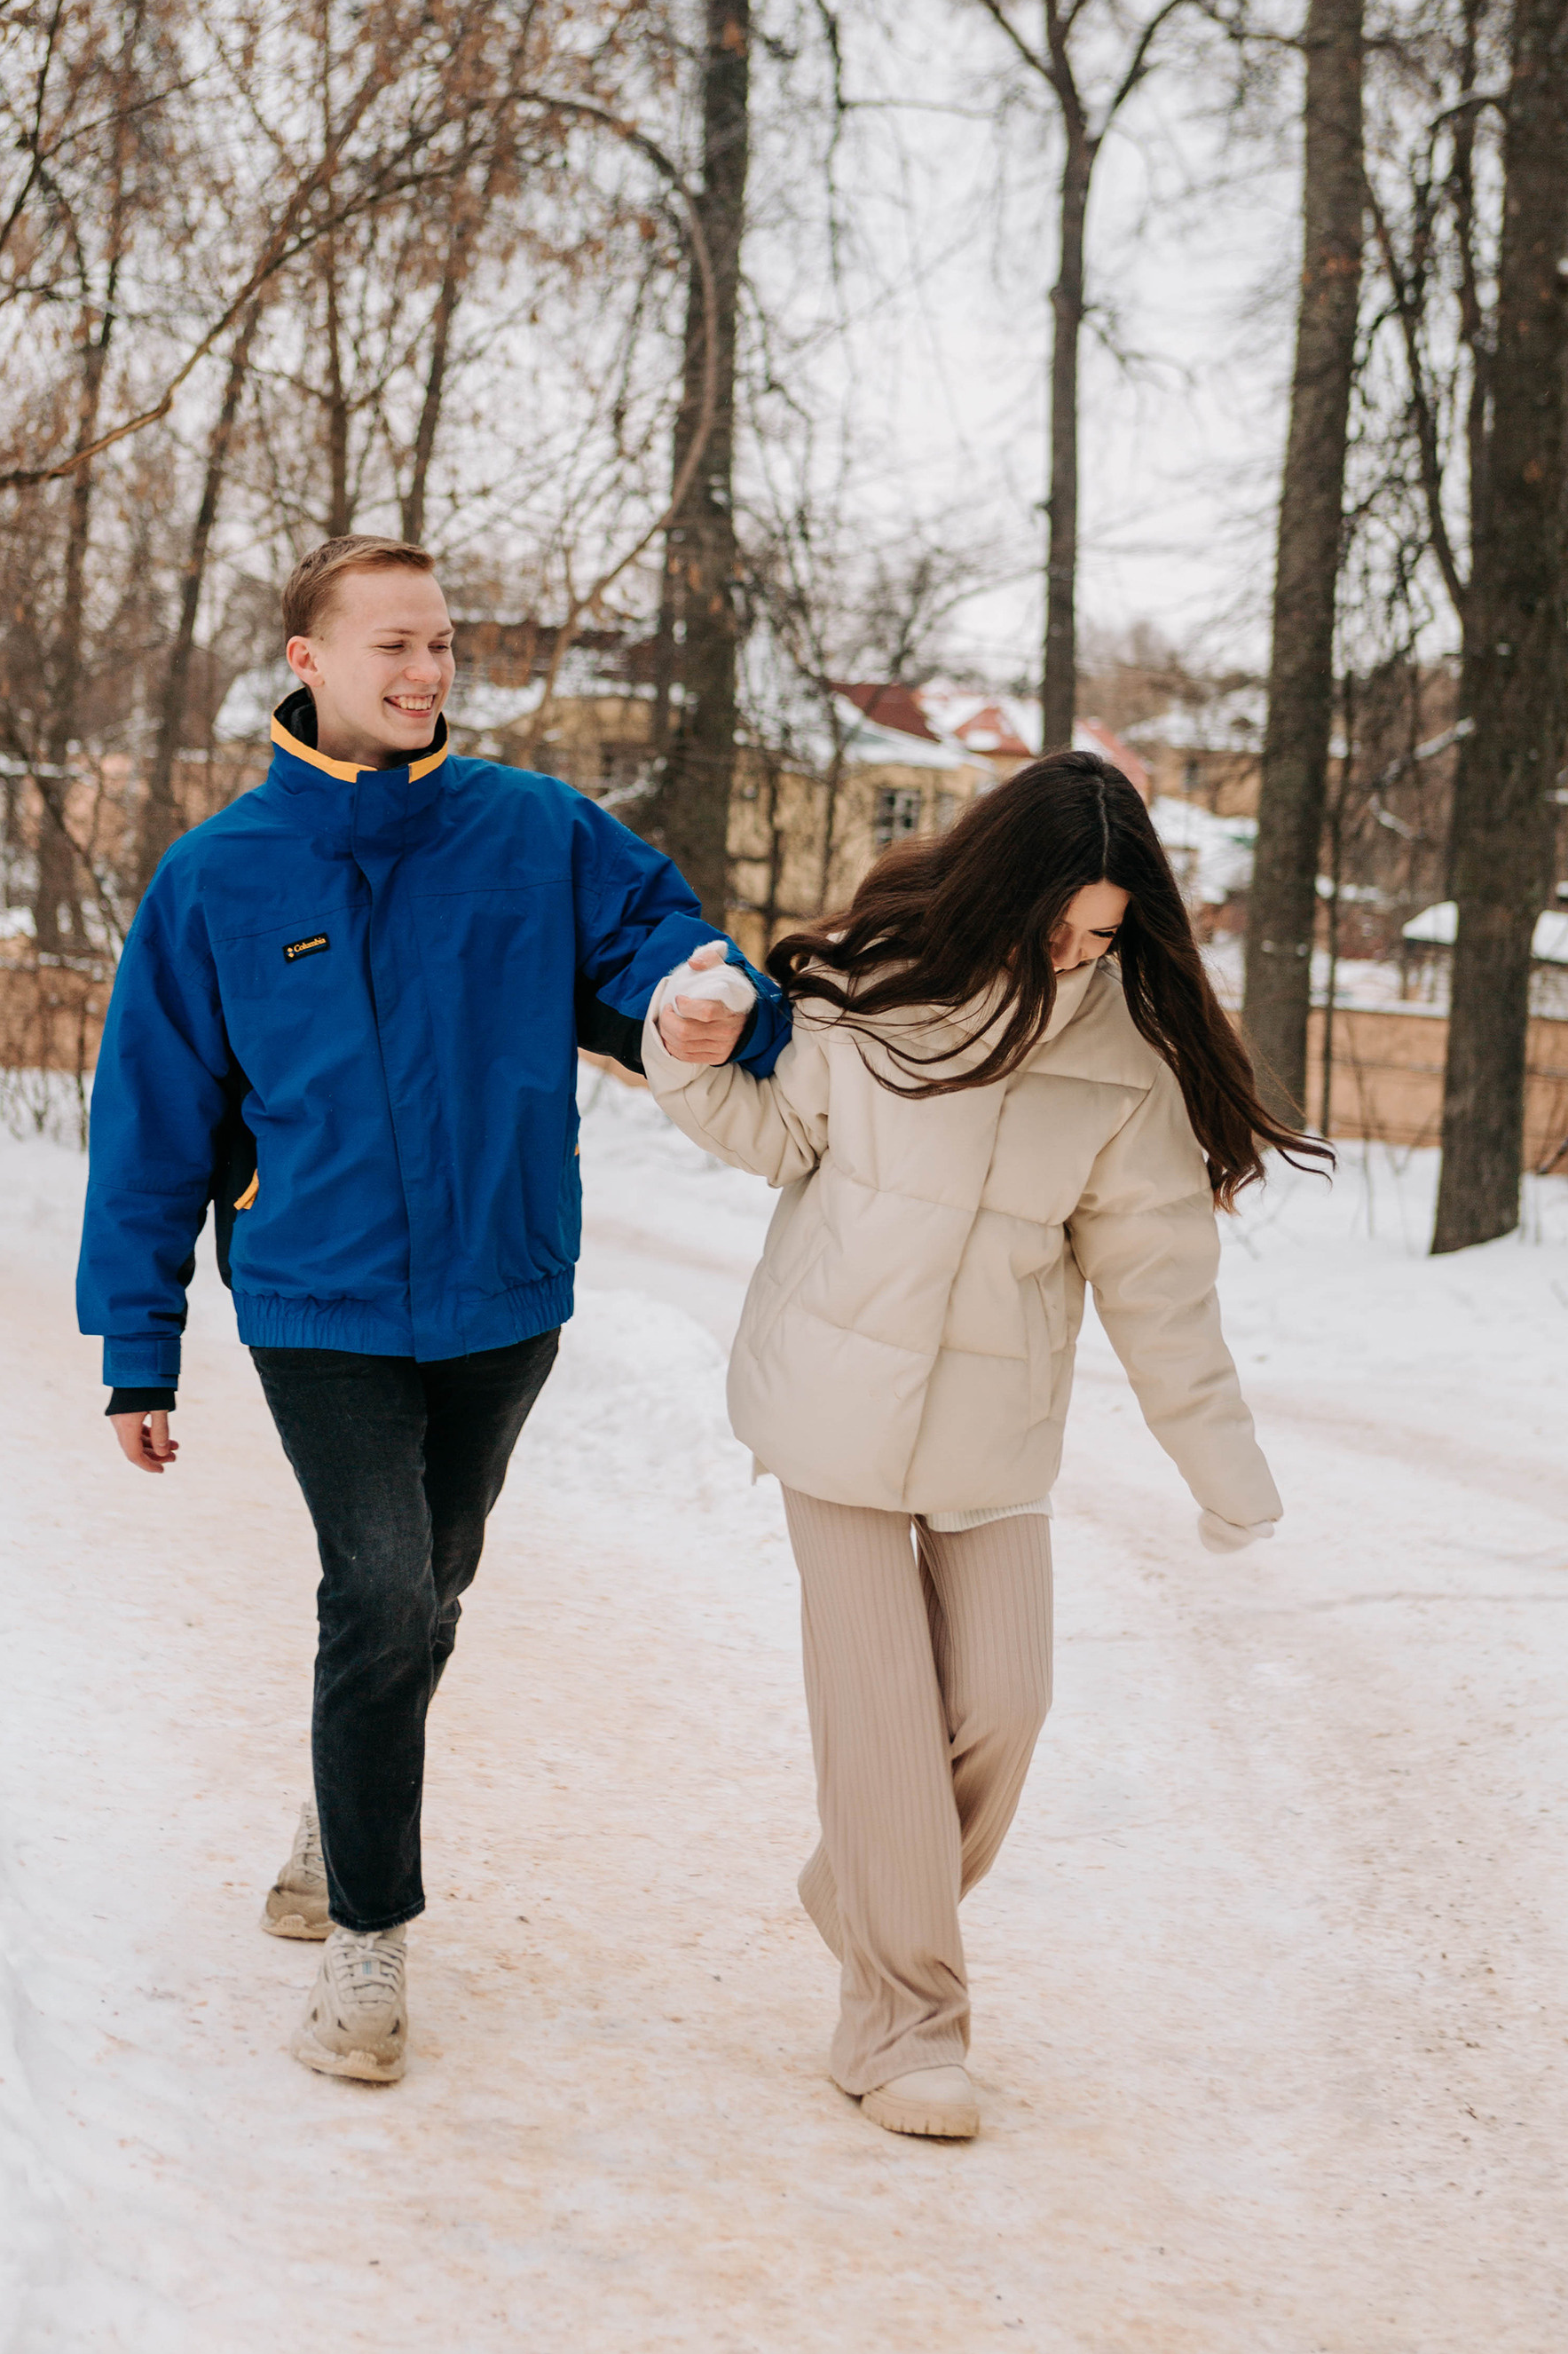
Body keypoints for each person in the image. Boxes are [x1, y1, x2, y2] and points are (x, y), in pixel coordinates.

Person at [76, 533, 779, 2083]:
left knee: (437, 1581)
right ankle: (369, 1945)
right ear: (307, 661)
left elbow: (669, 950)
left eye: (441, 644)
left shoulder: (534, 833)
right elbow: (152, 1128)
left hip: (502, 1292)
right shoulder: (218, 880)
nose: (424, 671)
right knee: (384, 1586)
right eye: (390, 644)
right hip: (316, 1297)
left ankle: (336, 1817)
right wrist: (142, 1348)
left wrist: (715, 995)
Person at [642, 748, 1327, 2142]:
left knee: (1006, 1702)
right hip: (830, 1407)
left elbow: (1158, 1284)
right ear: (1003, 891)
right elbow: (773, 1135)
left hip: (991, 1438)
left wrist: (1224, 1467)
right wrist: (684, 1042)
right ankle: (902, 2028)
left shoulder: (1122, 1061)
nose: (1079, 955)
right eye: (1062, 924)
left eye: (1105, 936)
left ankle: (865, 1891)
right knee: (885, 1719)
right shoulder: (874, 992)